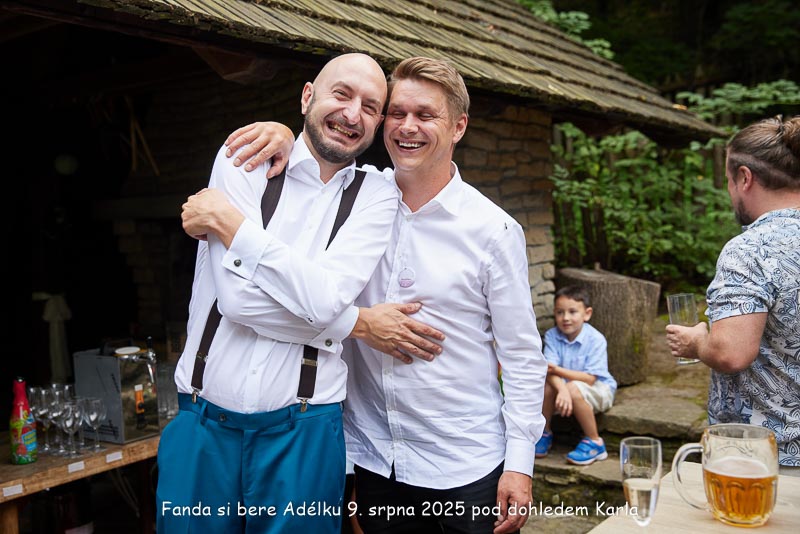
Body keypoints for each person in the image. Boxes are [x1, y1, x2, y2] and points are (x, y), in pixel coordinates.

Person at [220, 57, 548, 533]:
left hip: (465, 464)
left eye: (426, 115)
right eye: (397, 113)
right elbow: (318, 159)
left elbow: (521, 356)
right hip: (375, 461)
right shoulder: (354, 199)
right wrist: (284, 133)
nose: (407, 127)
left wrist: (519, 464)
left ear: (458, 127)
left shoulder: (493, 230)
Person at [157, 53, 403, 534]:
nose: (353, 114)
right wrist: (349, 322)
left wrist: (235, 228)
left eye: (371, 107)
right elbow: (236, 300)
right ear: (307, 96)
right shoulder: (243, 156)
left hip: (307, 432)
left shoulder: (377, 196)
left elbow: (327, 299)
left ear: (377, 123)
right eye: (341, 94)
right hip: (201, 426)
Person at [666, 115, 800, 476]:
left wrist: (697, 342)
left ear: (744, 177)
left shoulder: (750, 250)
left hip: (766, 461)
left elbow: (731, 353)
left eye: (728, 181)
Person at [534, 286, 616, 465]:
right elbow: (549, 371)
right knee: (547, 386)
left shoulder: (596, 339)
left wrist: (559, 374)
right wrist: (562, 389)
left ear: (587, 314)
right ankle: (544, 432)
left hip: (598, 389)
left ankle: (595, 442)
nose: (565, 318)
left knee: (572, 387)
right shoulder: (552, 336)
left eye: (572, 312)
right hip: (566, 389)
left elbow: (590, 378)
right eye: (560, 312)